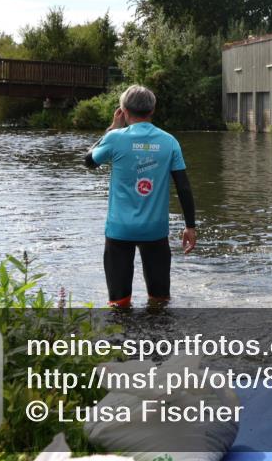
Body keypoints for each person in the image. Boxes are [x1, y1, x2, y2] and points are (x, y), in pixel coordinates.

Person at [84, 84, 197, 307]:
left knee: (119, 302)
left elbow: (88, 161)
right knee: (160, 300)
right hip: (154, 230)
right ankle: (159, 338)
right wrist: (190, 227)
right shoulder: (169, 141)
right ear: (152, 110)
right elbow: (183, 187)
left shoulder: (115, 138)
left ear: (124, 111)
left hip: (119, 230)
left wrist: (111, 128)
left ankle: (121, 338)